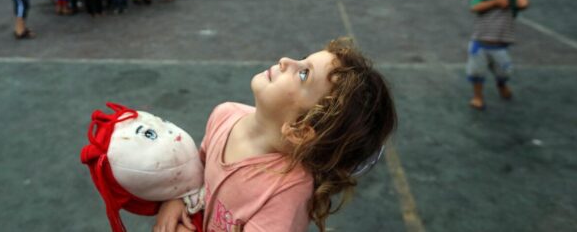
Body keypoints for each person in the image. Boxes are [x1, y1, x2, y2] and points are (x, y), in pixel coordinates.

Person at [154, 38, 397, 232]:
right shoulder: (224, 115)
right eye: (303, 60)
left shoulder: (286, 192)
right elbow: (197, 173)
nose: (285, 61)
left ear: (300, 130)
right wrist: (178, 200)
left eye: (303, 74)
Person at [467, 0, 530, 110]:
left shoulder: (511, 1)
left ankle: (501, 84)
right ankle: (478, 96)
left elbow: (524, 4)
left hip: (499, 47)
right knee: (477, 72)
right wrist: (494, 2)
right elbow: (474, 7)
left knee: (504, 72)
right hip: (479, 45)